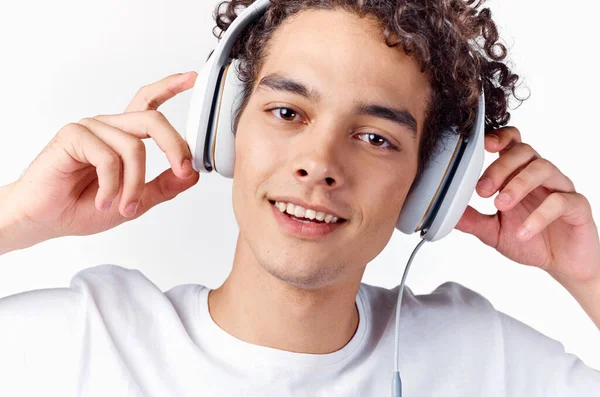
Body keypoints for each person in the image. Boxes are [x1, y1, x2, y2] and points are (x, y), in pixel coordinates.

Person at [1, 0, 599, 395]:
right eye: (287, 111)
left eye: (374, 137)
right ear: (225, 126)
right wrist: (20, 217)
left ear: (433, 181)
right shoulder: (78, 340)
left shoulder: (483, 360)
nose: (320, 163)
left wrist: (588, 277)